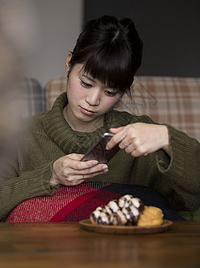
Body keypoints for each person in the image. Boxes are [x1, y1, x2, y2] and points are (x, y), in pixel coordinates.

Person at [1, 15, 200, 222]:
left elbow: (191, 200)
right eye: (86, 83)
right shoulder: (21, 134)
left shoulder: (141, 138)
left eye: (110, 92)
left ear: (124, 89)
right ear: (69, 64)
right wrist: (50, 175)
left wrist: (167, 138)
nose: (93, 100)